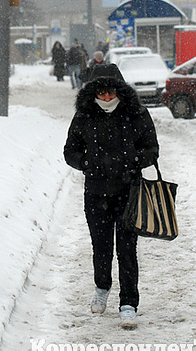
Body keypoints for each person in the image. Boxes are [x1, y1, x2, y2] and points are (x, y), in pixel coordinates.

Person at [63, 64, 159, 329]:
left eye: (111, 92)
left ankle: (128, 303)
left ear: (120, 90)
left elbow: (152, 149)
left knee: (127, 250)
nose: (107, 98)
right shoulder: (83, 116)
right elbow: (70, 151)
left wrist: (131, 160)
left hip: (129, 192)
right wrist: (88, 162)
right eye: (101, 92)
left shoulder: (137, 114)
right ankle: (102, 288)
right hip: (95, 194)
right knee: (101, 247)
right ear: (93, 92)